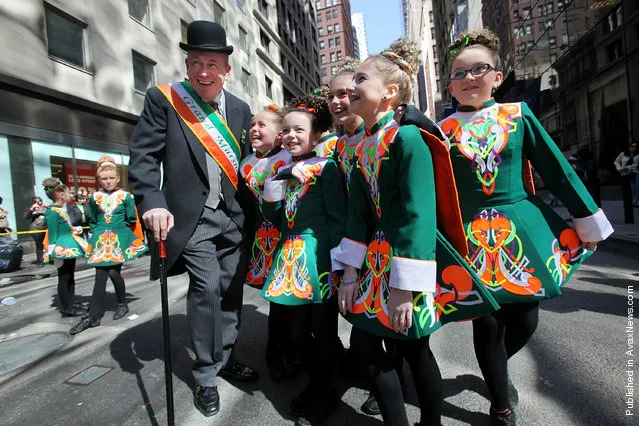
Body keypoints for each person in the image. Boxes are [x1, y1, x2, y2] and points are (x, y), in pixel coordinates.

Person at [439, 30, 614, 425]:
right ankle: (501, 403)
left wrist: (587, 224)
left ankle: (493, 371)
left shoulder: (517, 114)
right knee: (485, 321)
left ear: (497, 76)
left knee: (526, 319)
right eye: (458, 73)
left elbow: (557, 168)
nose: (468, 78)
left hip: (519, 225)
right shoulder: (439, 130)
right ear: (449, 83)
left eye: (478, 69)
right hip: (467, 237)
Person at [333, 39, 498, 426]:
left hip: (404, 265)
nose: (349, 87)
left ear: (389, 93)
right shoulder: (362, 147)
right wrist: (350, 272)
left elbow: (417, 214)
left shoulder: (407, 138)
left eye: (360, 78)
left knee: (413, 350)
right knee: (368, 348)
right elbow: (358, 215)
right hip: (373, 267)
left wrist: (405, 286)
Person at [127, 20, 258, 417]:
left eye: (213, 63)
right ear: (187, 65)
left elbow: (248, 161)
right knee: (205, 291)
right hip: (192, 217)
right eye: (196, 62)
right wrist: (152, 199)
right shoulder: (164, 99)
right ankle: (205, 376)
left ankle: (225, 356)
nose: (204, 71)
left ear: (226, 69)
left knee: (231, 292)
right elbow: (144, 155)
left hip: (234, 216)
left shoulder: (239, 108)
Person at [261, 94, 347, 426]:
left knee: (322, 331)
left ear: (315, 134)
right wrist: (275, 185)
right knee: (296, 331)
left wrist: (339, 264)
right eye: (286, 130)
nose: (291, 136)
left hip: (318, 256)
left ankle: (324, 390)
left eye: (299, 129)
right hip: (289, 256)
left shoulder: (327, 167)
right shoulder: (282, 168)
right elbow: (275, 214)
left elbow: (338, 218)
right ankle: (318, 382)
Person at [239, 105, 295, 381]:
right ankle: (276, 355)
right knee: (277, 301)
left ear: (280, 133)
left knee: (289, 302)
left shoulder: (291, 158)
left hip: (288, 238)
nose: (254, 129)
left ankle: (291, 352)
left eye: (262, 124)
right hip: (262, 241)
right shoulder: (245, 163)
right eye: (252, 124)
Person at [70, 157, 148, 335]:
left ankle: (117, 305)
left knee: (112, 272)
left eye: (111, 178)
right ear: (99, 180)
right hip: (100, 240)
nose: (108, 181)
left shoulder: (126, 197)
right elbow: (94, 219)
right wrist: (97, 236)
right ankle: (95, 315)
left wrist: (118, 235)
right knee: (102, 275)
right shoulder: (94, 197)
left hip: (118, 239)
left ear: (118, 178)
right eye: (104, 179)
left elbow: (130, 219)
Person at [42, 177, 88, 317]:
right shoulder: (52, 212)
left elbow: (65, 228)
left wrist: (75, 230)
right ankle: (66, 307)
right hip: (61, 249)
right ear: (61, 195)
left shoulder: (60, 210)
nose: (70, 196)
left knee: (70, 276)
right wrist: (52, 253)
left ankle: (71, 302)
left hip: (68, 246)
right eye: (68, 193)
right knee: (64, 277)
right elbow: (53, 235)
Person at [23, 195, 47, 267]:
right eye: (36, 202)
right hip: (36, 229)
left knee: (49, 244)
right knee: (39, 245)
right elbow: (25, 217)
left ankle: (51, 258)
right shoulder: (31, 209)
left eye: (40, 201)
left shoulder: (45, 208)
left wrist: (47, 208)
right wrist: (32, 209)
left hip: (46, 228)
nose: (39, 203)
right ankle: (40, 262)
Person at [614, 142, 639, 208]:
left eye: (635, 146)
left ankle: (635, 202)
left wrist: (632, 167)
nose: (633, 148)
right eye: (632, 146)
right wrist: (619, 168)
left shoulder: (637, 155)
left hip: (635, 173)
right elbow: (616, 162)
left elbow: (636, 165)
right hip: (625, 174)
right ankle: (628, 202)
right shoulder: (623, 154)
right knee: (628, 188)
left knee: (636, 187)